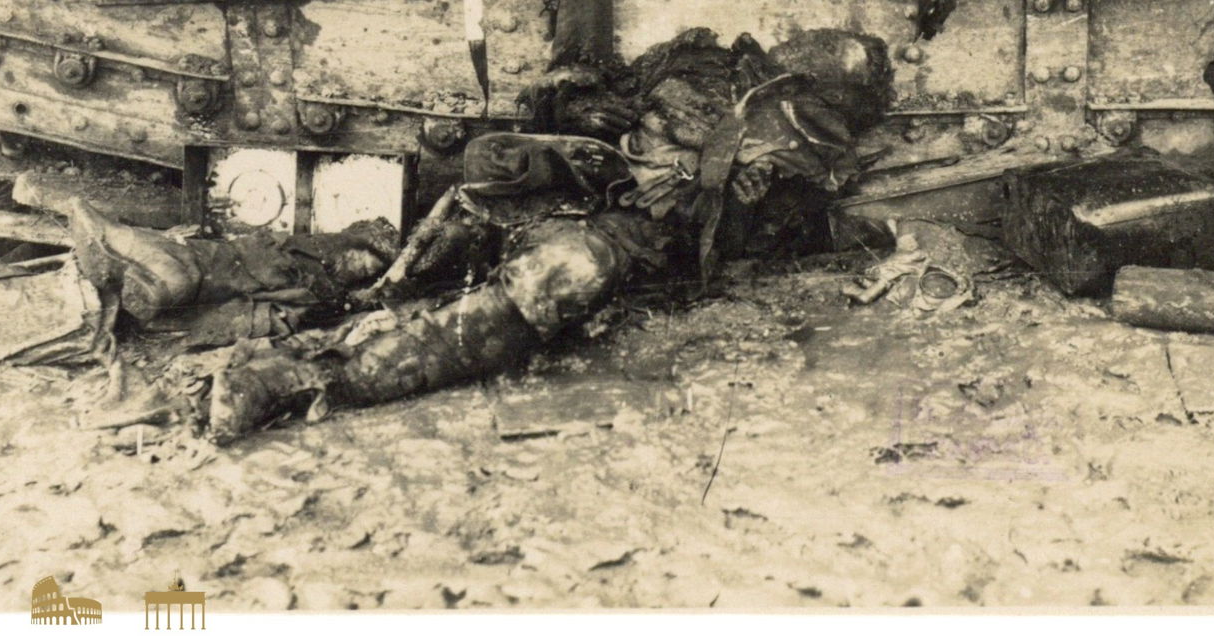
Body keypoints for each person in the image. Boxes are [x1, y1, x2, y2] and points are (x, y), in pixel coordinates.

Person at [69, 24, 893, 443]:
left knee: (554, 277)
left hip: (611, 245)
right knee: (376, 255)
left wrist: (731, 180)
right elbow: (590, 108)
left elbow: (746, 226)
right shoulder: (702, 67)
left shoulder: (809, 152)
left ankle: (298, 377)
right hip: (546, 196)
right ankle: (181, 268)